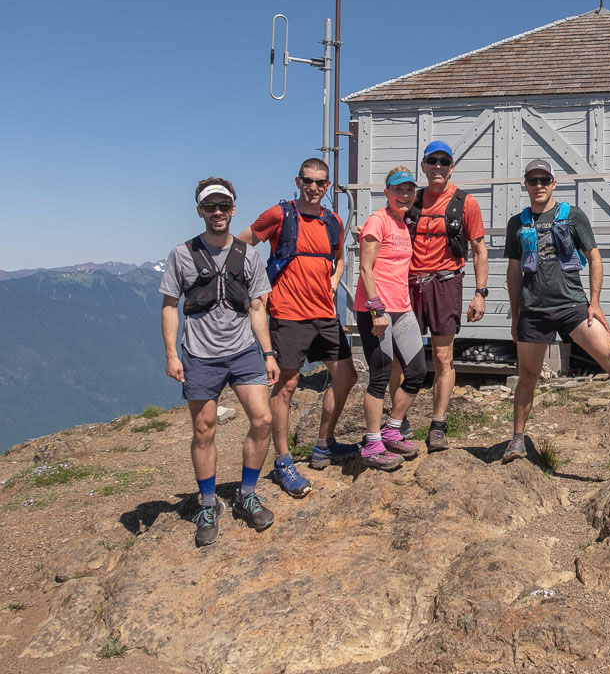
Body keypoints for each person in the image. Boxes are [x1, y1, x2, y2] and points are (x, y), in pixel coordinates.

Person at [502, 159, 610, 463]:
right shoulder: (517, 223)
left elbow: (594, 257)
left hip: (572, 306)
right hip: (533, 310)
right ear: (525, 184)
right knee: (528, 375)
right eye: (532, 180)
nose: (538, 185)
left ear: (553, 183)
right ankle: (517, 440)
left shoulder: (573, 216)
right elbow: (513, 273)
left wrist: (594, 302)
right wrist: (515, 316)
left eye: (544, 180)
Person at [160, 177, 278, 547]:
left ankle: (245, 494)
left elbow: (258, 306)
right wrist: (171, 353)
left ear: (233, 210)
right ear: (200, 211)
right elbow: (169, 306)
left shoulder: (249, 255)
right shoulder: (182, 254)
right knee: (204, 430)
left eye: (223, 206)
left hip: (243, 351)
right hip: (200, 355)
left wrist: (268, 352)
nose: (217, 212)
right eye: (210, 206)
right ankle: (208, 504)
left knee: (263, 419)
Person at [235, 158, 359, 498]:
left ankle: (323, 444)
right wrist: (253, 286)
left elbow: (339, 257)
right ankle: (283, 460)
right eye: (308, 180)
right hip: (288, 314)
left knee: (347, 376)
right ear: (298, 181)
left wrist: (333, 281)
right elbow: (240, 244)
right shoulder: (280, 215)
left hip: (324, 313)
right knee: (286, 387)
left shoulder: (333, 221)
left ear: (328, 185)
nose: (314, 187)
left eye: (321, 182)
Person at [406, 141, 489, 452]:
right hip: (410, 286)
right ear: (424, 166)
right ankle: (398, 421)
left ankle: (438, 424)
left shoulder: (465, 203)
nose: (438, 166)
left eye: (444, 161)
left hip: (446, 284)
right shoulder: (410, 201)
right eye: (432, 161)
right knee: (406, 356)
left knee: (442, 357)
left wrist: (479, 294)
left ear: (451, 167)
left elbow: (480, 251)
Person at [353, 167, 427, 469]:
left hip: (402, 308)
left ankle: (392, 430)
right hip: (376, 311)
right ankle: (372, 444)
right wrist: (376, 310)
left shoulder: (403, 222)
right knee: (380, 375)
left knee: (418, 371)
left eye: (409, 190)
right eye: (398, 189)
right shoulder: (377, 220)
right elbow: (365, 269)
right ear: (387, 192)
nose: (404, 195)